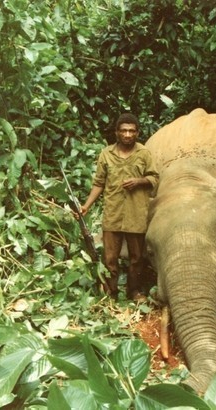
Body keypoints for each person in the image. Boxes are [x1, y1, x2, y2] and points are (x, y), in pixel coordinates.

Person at [80, 113, 158, 300]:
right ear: (117, 133)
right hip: (113, 212)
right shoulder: (106, 154)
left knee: (137, 257)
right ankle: (111, 293)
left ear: (137, 133)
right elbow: (99, 183)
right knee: (110, 258)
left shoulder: (144, 153)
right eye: (124, 130)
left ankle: (134, 291)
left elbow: (155, 178)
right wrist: (86, 206)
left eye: (132, 131)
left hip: (136, 212)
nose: (128, 134)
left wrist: (139, 181)